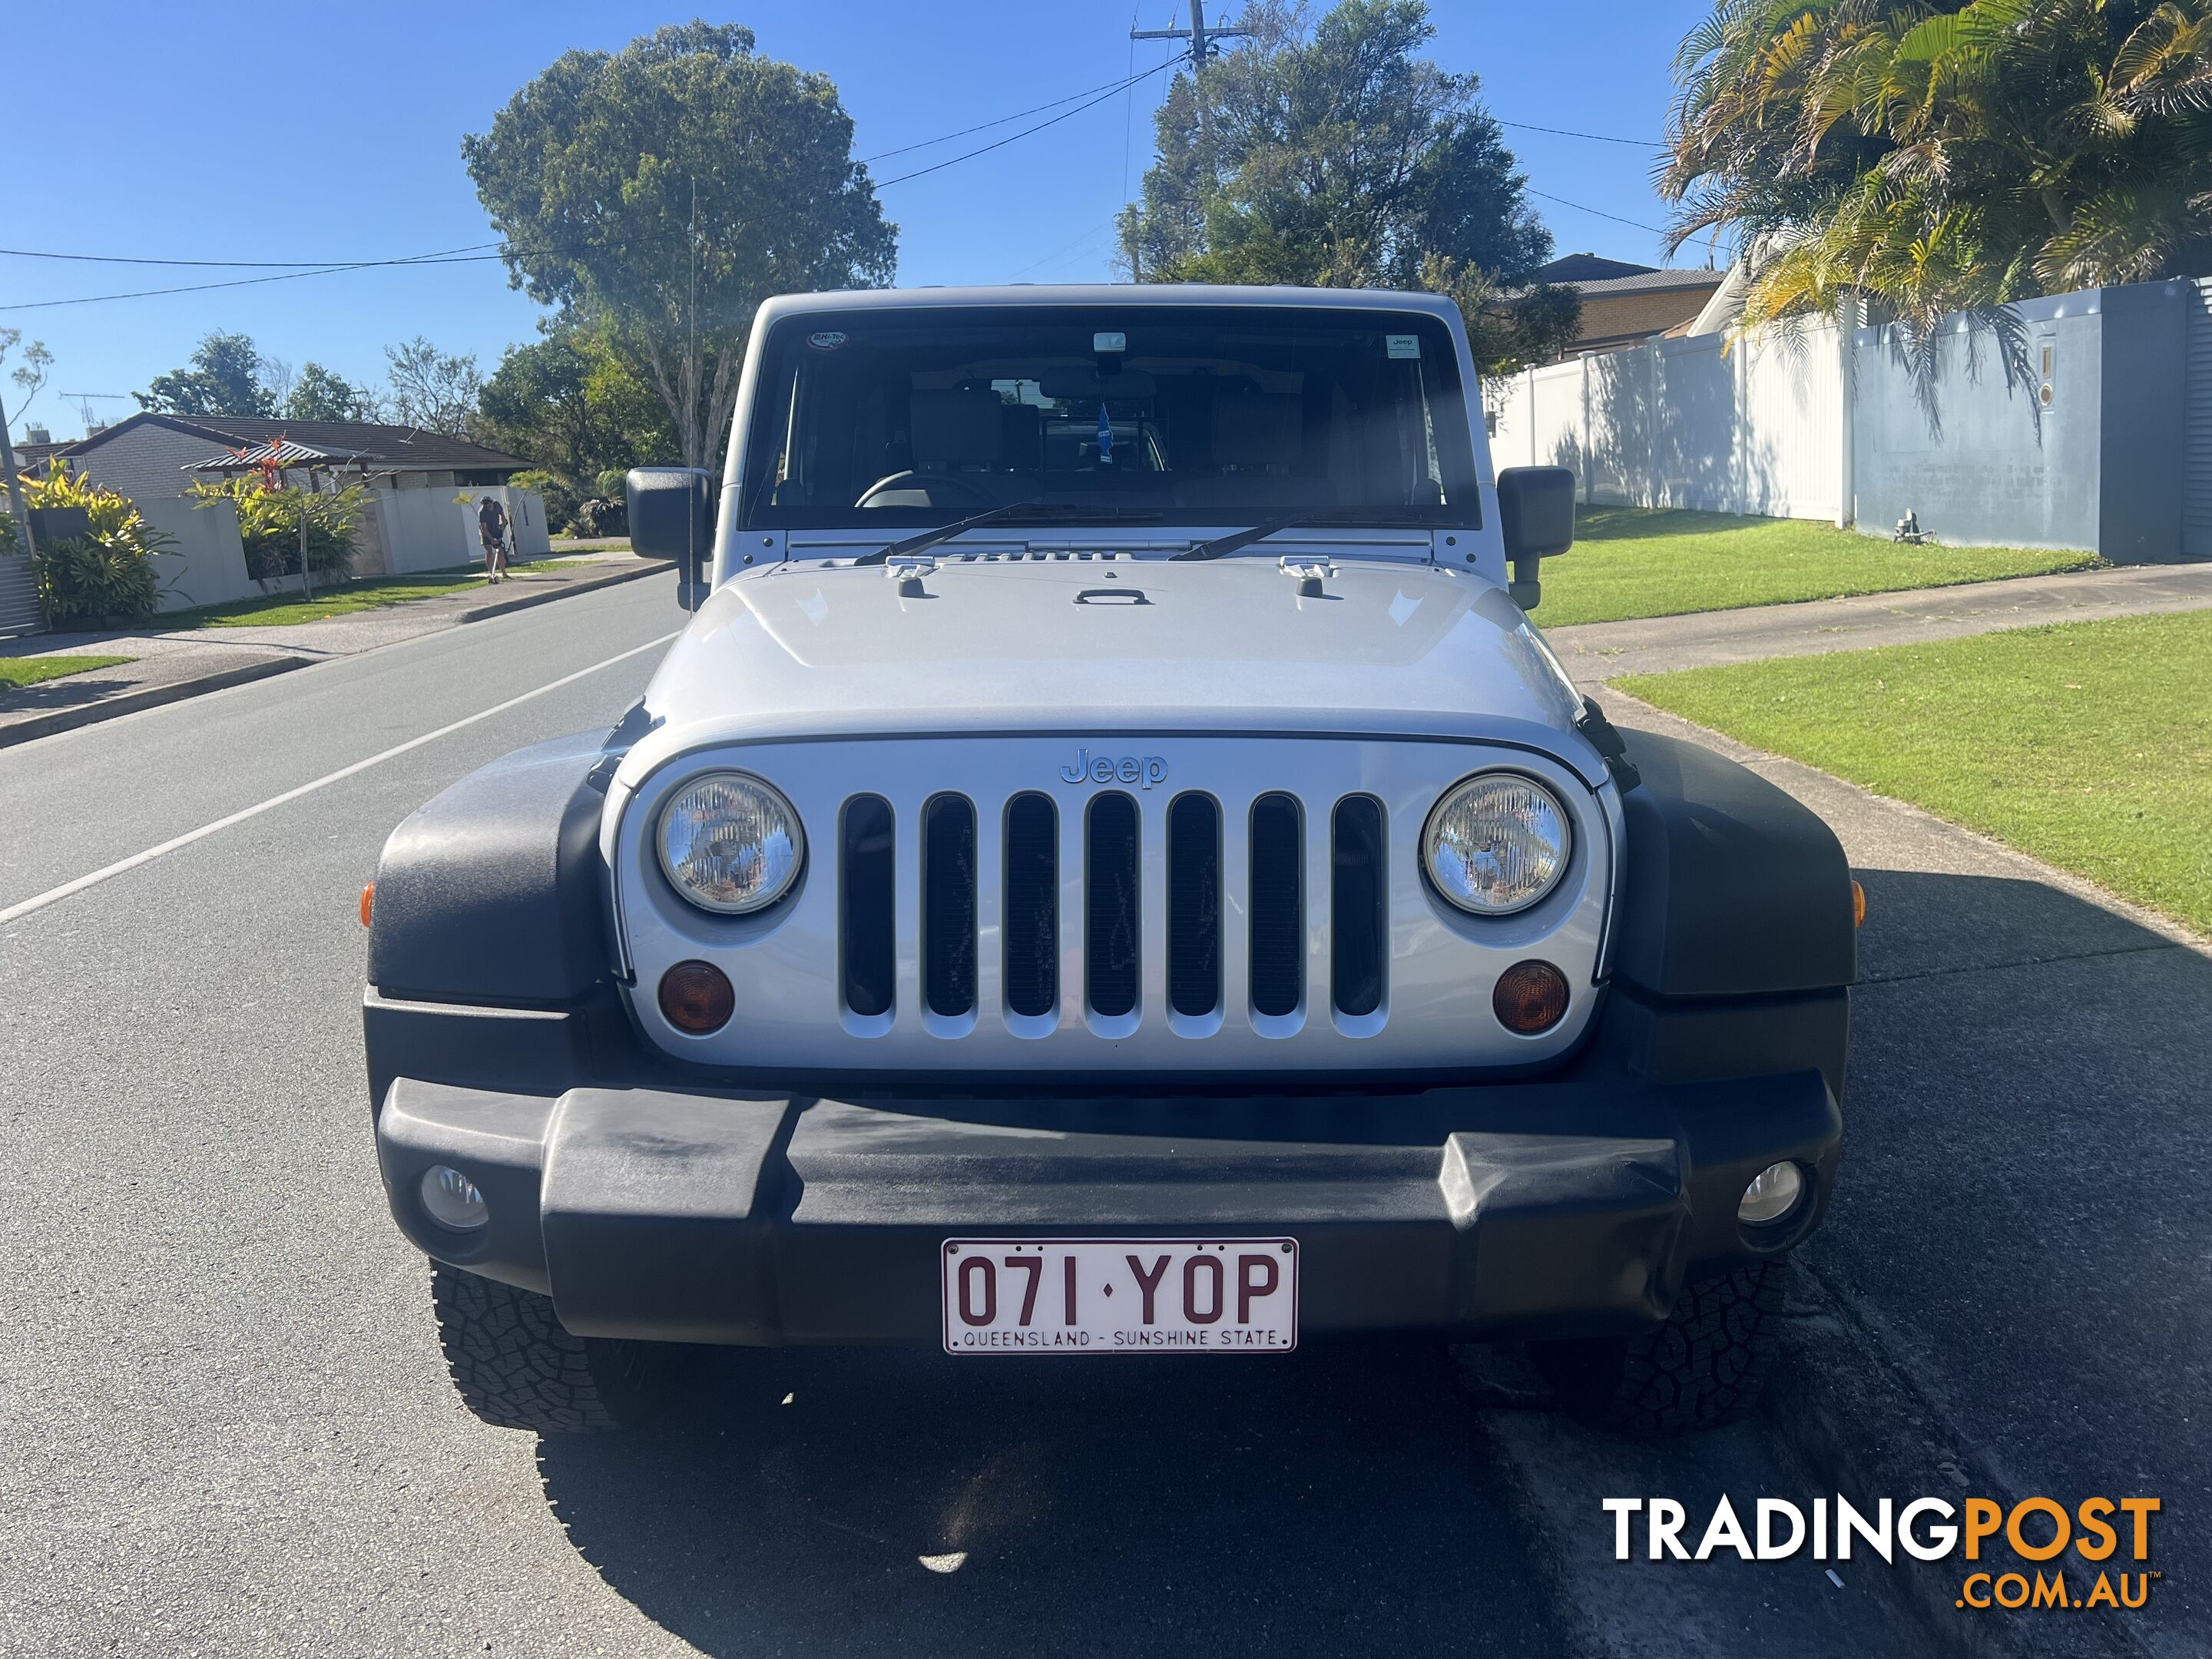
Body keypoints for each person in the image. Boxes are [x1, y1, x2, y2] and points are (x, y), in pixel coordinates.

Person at [475, 494, 511, 583]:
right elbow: (484, 528)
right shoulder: (482, 512)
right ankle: (492, 573)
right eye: (486, 506)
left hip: (496, 530)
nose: (488, 507)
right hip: (486, 533)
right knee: (489, 551)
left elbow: (502, 516)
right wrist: (492, 540)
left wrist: (503, 525)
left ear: (492, 503)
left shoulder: (497, 504)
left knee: (500, 550)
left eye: (489, 505)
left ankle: (504, 572)